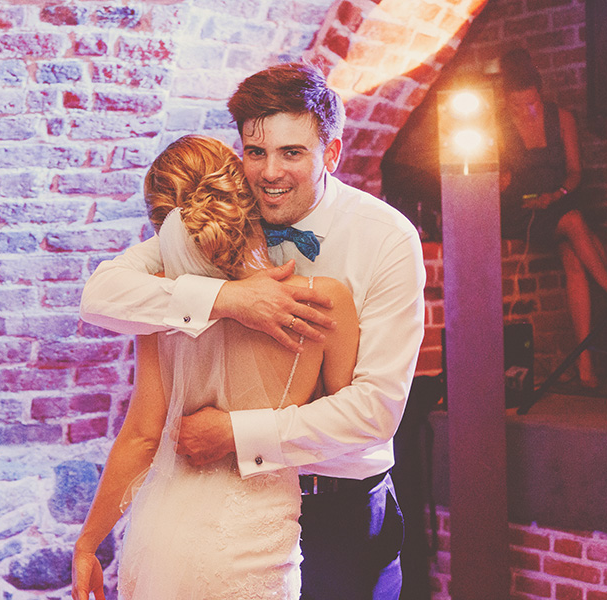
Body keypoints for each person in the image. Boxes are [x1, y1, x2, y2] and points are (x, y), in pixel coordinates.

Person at [80, 62, 426, 599]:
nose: (269, 172)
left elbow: (374, 413)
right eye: (256, 152)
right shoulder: (214, 219)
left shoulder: (387, 239)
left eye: (293, 153)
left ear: (332, 153)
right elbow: (103, 293)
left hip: (340, 508)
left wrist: (235, 434)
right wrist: (232, 300)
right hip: (217, 513)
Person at [72, 135, 360, 599]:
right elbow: (343, 428)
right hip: (250, 548)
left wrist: (88, 543)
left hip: (162, 538)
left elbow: (143, 435)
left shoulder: (162, 305)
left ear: (162, 225)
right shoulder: (324, 302)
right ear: (242, 191)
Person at [498, 48, 607, 388]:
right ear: (507, 102)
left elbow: (575, 172)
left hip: (560, 202)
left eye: (533, 102)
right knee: (574, 222)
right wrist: (504, 181)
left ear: (540, 94)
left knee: (574, 258)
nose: (527, 110)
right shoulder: (500, 127)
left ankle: (585, 366)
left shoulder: (562, 118)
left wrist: (557, 195)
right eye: (519, 105)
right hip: (525, 211)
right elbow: (501, 182)